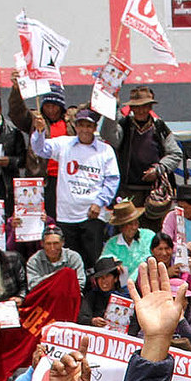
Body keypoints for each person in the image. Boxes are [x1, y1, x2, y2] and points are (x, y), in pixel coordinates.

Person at [31, 106, 119, 270]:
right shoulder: (64, 143)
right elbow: (39, 149)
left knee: (94, 262)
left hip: (92, 215)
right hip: (66, 216)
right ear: (76, 126)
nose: (85, 129)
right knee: (70, 263)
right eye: (81, 125)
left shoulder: (105, 150)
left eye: (89, 125)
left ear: (94, 128)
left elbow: (112, 179)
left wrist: (99, 203)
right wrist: (40, 130)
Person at [114, 86, 180, 211]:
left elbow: (175, 153)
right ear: (131, 108)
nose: (141, 110)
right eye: (137, 107)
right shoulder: (124, 125)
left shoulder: (159, 127)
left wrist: (158, 170)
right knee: (130, 227)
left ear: (150, 107)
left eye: (144, 106)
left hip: (156, 192)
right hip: (128, 190)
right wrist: (112, 105)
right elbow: (109, 134)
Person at [23, 224, 85, 290]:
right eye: (48, 244)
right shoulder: (34, 260)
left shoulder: (73, 257)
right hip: (45, 296)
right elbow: (32, 286)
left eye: (56, 243)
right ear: (42, 244)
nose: (52, 248)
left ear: (62, 243)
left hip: (67, 295)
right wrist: (59, 277)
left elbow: (80, 283)